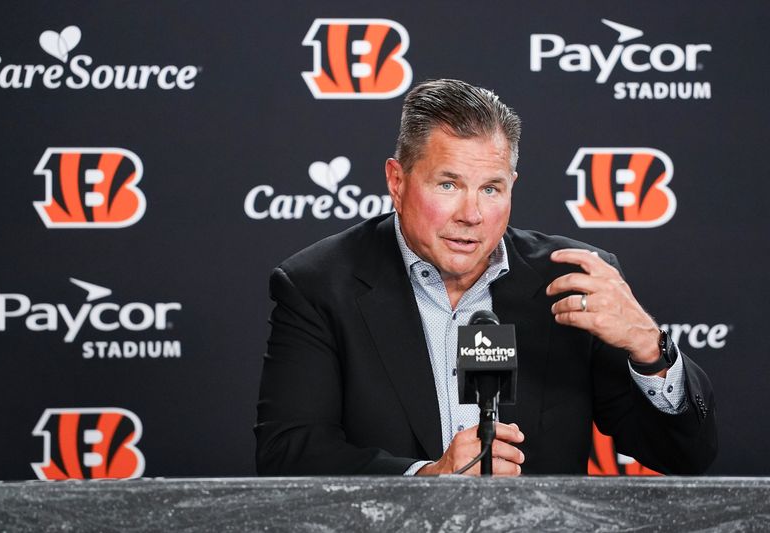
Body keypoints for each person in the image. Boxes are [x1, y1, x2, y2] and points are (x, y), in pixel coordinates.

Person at [254, 79, 716, 476]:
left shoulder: (574, 279)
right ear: (397, 182)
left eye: (491, 189)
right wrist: (426, 477)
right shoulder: (318, 284)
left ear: (512, 185)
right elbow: (287, 454)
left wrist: (650, 348)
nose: (471, 214)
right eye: (448, 184)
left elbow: (686, 455)